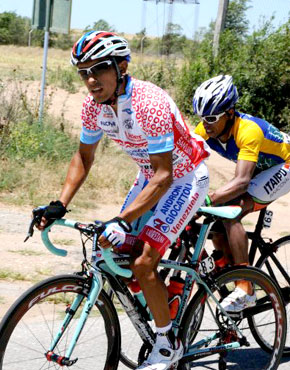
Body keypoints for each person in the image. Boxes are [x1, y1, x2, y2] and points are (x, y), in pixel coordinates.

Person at [37, 31, 211, 370]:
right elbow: (84, 157)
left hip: (184, 178)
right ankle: (160, 299)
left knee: (144, 261)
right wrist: (59, 203)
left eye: (99, 69)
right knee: (107, 246)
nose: (90, 79)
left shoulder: (149, 103)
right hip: (150, 176)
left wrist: (121, 219)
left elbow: (165, 176)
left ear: (122, 66)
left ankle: (167, 343)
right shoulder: (93, 107)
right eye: (83, 71)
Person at [193, 74, 290, 312]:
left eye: (212, 118)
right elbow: (185, 165)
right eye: (202, 118)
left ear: (229, 112)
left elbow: (241, 181)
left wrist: (203, 200)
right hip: (262, 168)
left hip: (285, 166)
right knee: (216, 226)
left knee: (231, 212)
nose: (206, 124)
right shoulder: (204, 130)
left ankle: (245, 287)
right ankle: (230, 272)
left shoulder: (248, 130)